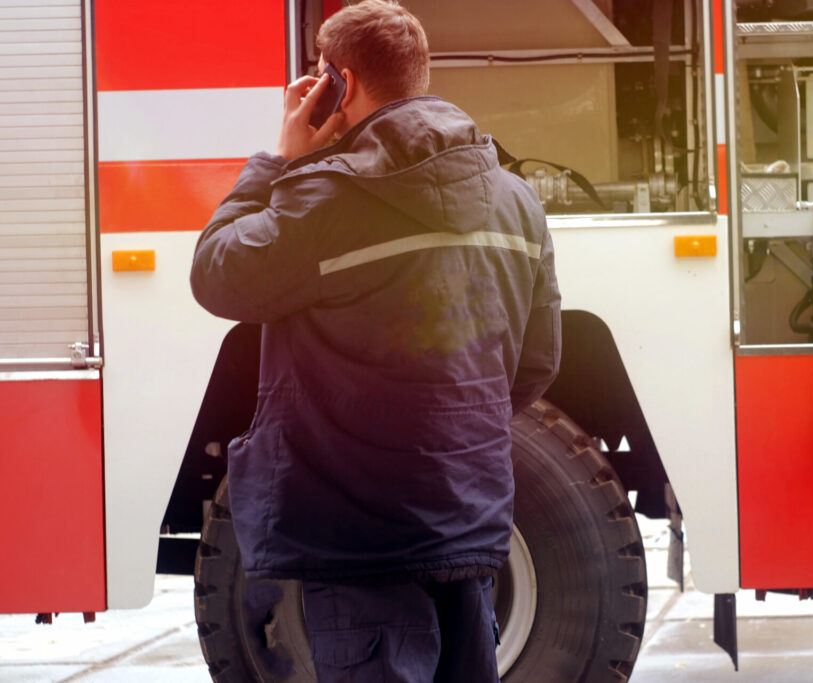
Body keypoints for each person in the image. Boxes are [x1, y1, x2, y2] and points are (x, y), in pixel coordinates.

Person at [189, 1, 561, 680]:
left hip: (359, 541)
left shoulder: (322, 199)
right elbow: (536, 362)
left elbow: (217, 276)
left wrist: (277, 158)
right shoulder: (516, 199)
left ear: (341, 82)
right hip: (471, 527)